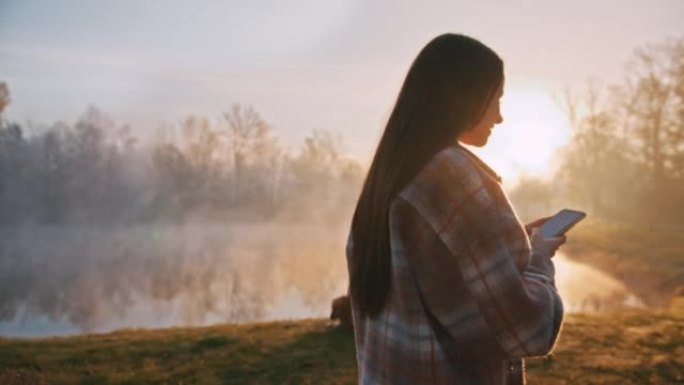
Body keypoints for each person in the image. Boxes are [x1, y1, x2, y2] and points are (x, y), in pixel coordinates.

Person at [346, 33, 566, 385]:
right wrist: (538, 258)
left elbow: (434, 270)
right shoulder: (454, 180)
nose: (500, 117)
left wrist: (508, 245)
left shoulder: (387, 178)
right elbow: (524, 329)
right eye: (496, 100)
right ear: (465, 99)